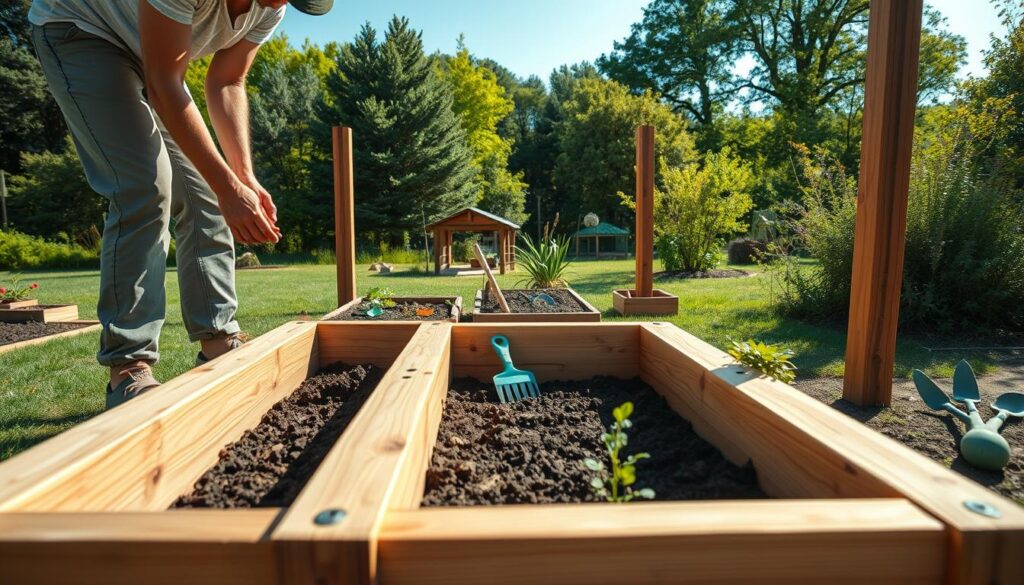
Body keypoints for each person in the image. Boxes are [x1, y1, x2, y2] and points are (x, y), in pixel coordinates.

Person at [28, 0, 333, 408]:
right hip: (81, 31)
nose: (282, 3)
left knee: (209, 195)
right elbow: (164, 82)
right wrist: (230, 188)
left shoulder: (269, 9)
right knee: (146, 187)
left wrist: (242, 177)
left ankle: (218, 339)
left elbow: (227, 81)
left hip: (154, 57)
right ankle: (128, 366)